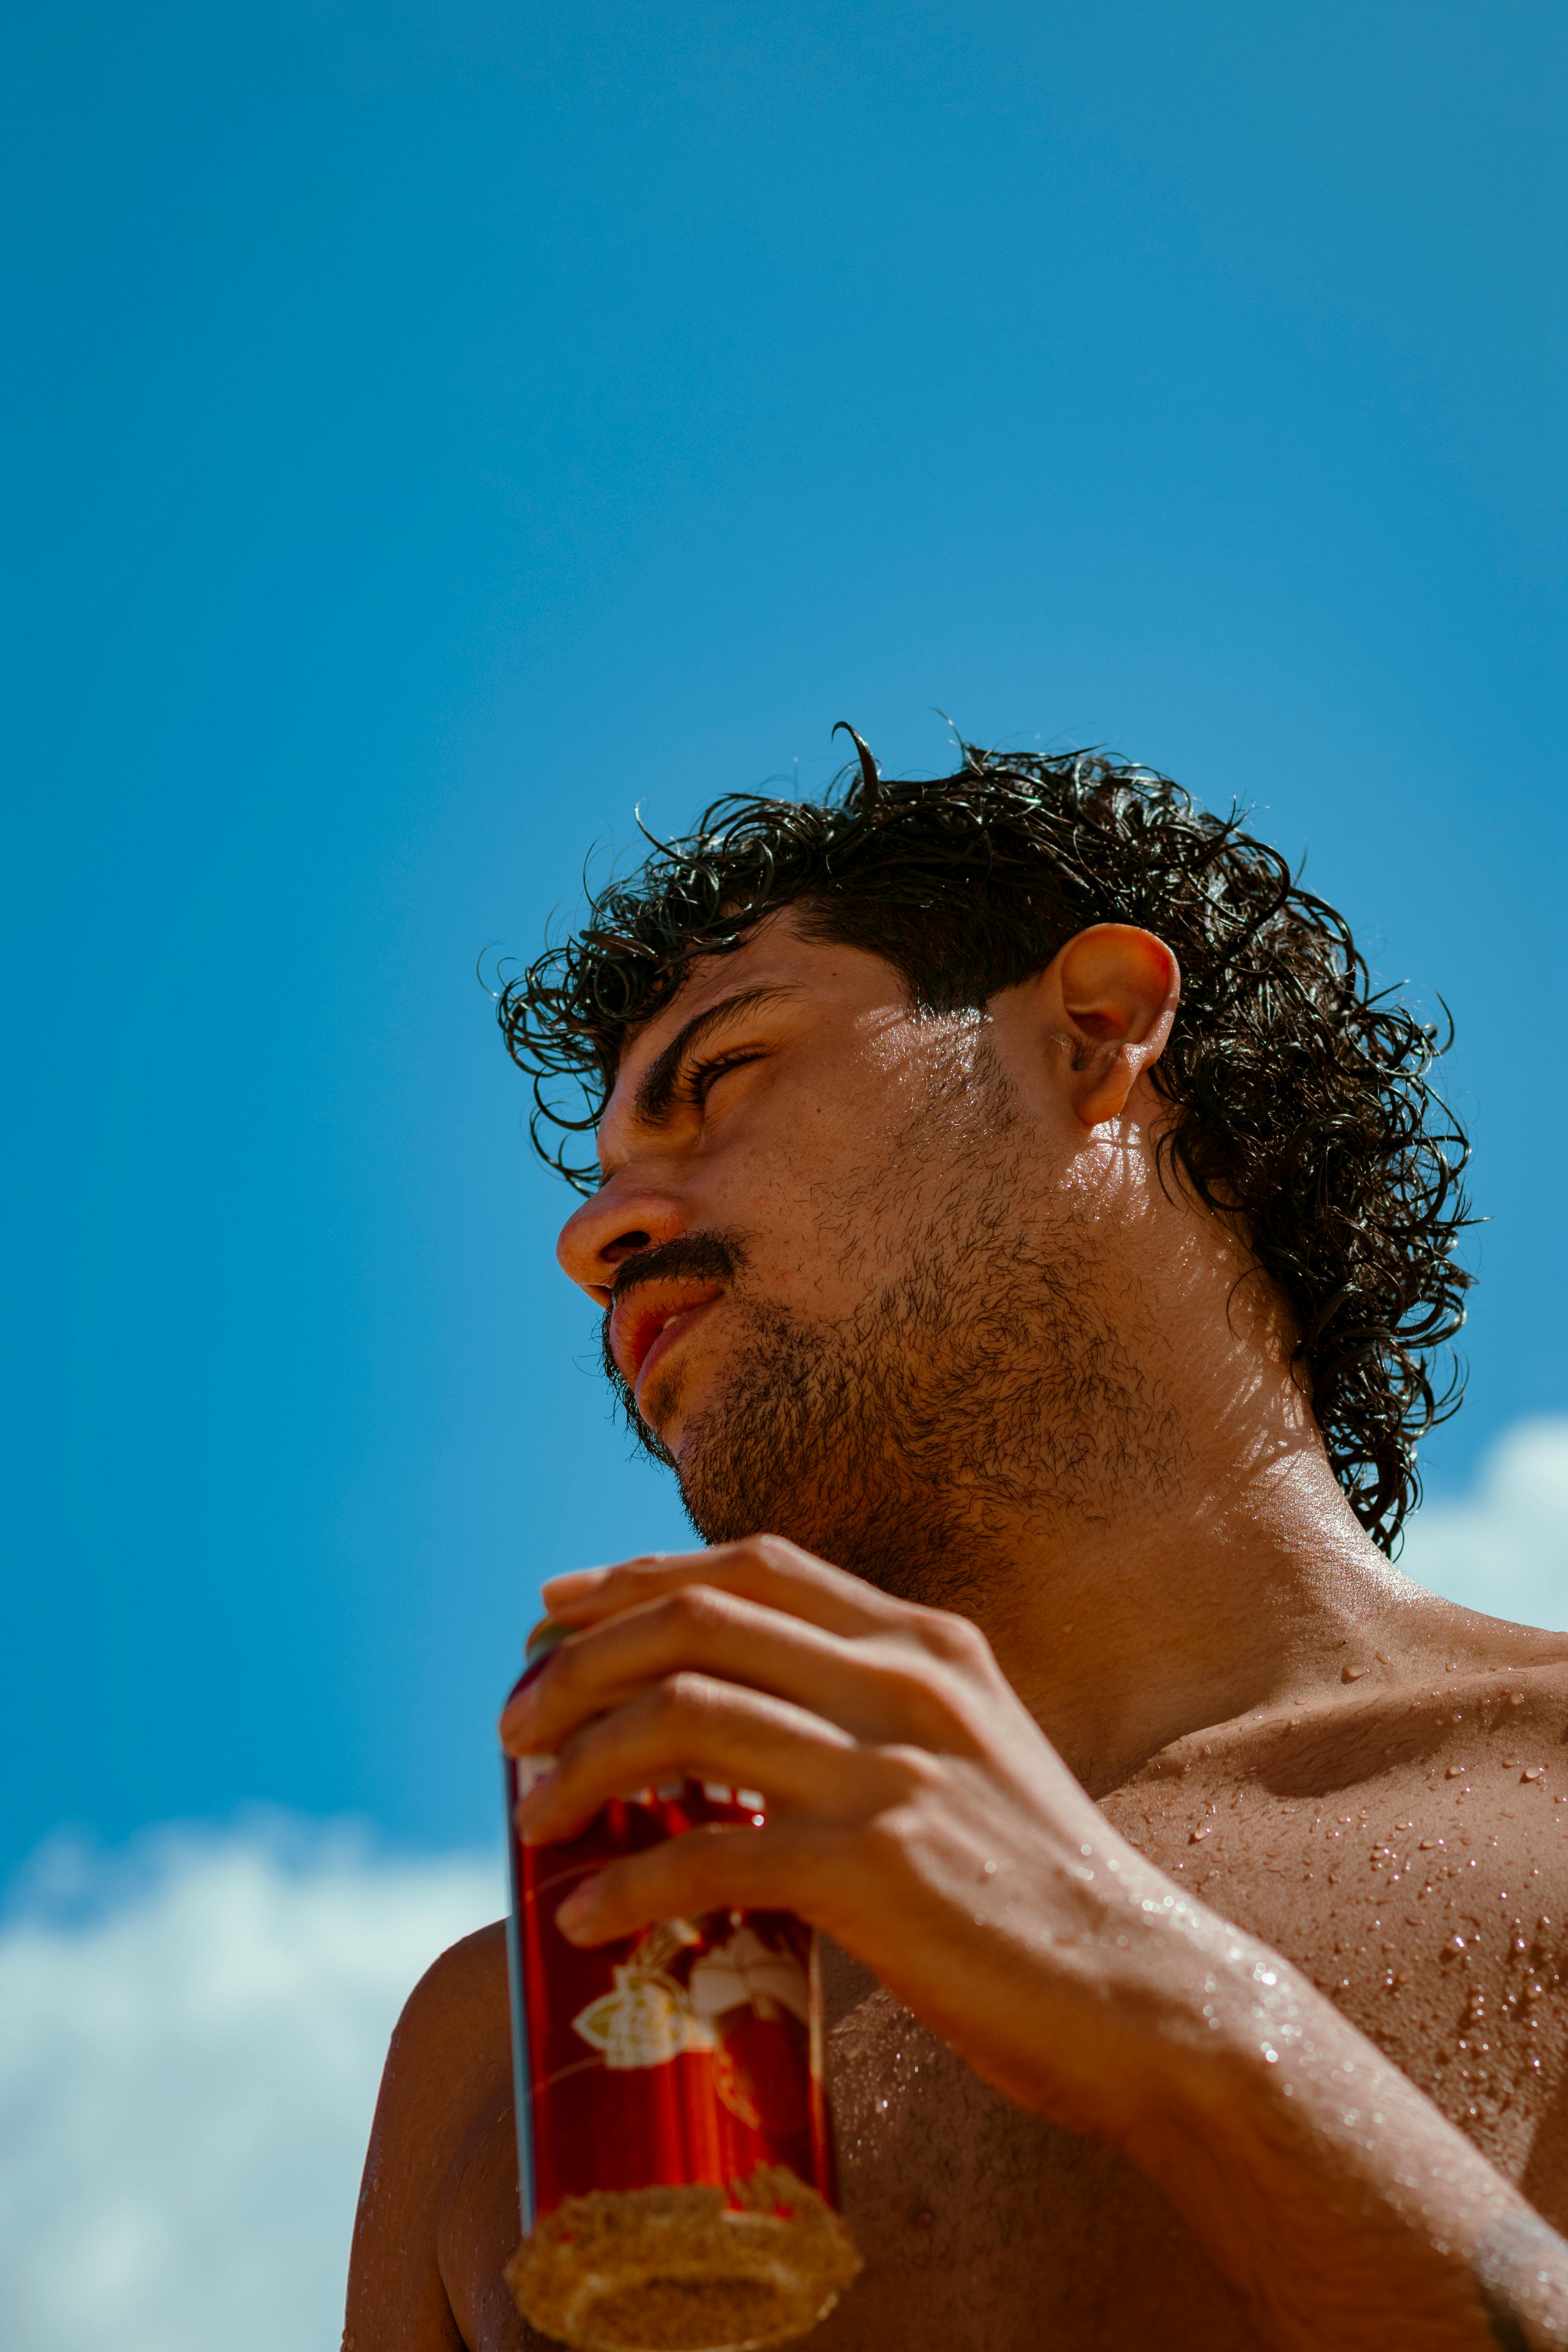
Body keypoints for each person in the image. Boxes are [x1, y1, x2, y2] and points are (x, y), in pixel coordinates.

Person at [346, 739, 1568, 2350]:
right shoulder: (519, 2037)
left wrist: (1175, 2015)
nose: (596, 1238)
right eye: (602, 1184)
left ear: (1094, 1030)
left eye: (721, 1078)